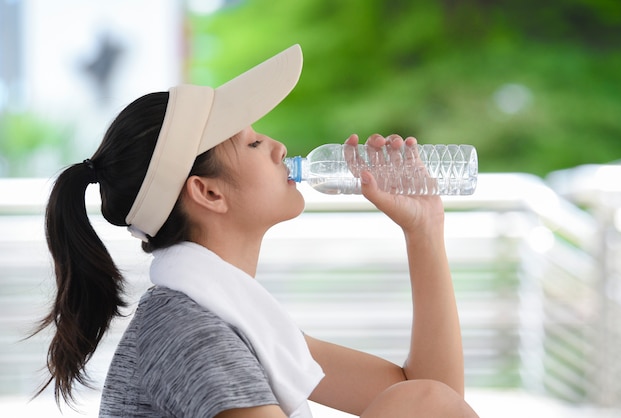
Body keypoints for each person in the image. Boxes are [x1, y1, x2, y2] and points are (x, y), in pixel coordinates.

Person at [36, 44, 479, 417]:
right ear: (207, 193)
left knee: (415, 396)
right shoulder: (194, 333)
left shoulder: (231, 319)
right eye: (252, 142)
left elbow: (438, 403)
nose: (278, 146)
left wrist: (424, 231)